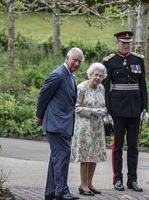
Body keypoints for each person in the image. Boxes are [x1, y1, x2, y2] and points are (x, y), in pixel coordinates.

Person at [102, 31, 149, 192]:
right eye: (123, 42)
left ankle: (132, 180)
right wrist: (107, 111)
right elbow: (105, 88)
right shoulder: (109, 61)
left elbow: (142, 86)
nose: (125, 45)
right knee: (118, 146)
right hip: (117, 110)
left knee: (133, 147)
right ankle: (118, 180)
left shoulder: (138, 60)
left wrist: (145, 108)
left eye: (128, 42)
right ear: (117, 43)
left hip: (135, 109)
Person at [36, 47, 84, 200]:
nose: (76, 63)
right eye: (74, 60)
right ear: (66, 59)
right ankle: (61, 191)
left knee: (56, 157)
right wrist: (39, 116)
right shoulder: (58, 75)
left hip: (63, 123)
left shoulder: (70, 75)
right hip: (56, 124)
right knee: (62, 156)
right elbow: (43, 95)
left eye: (79, 61)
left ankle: (51, 191)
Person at [71, 62, 107, 196]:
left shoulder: (101, 88)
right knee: (86, 156)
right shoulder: (81, 87)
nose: (98, 78)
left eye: (101, 76)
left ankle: (90, 184)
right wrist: (92, 111)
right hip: (84, 126)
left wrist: (103, 110)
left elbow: (103, 104)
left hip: (97, 126)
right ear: (90, 74)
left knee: (95, 155)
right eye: (96, 75)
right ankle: (83, 185)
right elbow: (76, 108)